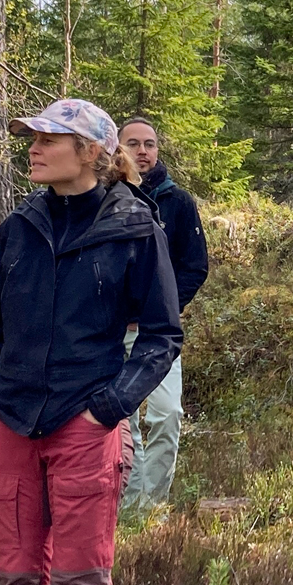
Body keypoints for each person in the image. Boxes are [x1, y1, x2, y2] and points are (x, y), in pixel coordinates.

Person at [0, 99, 182, 585]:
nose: (32, 148)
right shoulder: (18, 227)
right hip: (10, 424)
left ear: (89, 153)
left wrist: (108, 408)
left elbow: (162, 336)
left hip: (85, 427)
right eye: (30, 137)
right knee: (16, 584)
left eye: (48, 138)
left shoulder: (134, 227)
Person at [115, 116, 209, 514]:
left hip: (158, 333)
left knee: (167, 414)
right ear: (117, 149)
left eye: (149, 144)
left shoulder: (178, 202)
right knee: (121, 420)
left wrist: (166, 307)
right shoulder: (102, 197)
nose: (142, 151)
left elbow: (195, 266)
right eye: (133, 143)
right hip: (109, 332)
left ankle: (151, 508)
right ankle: (125, 507)